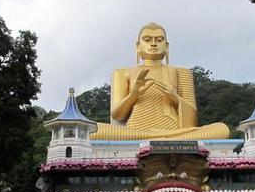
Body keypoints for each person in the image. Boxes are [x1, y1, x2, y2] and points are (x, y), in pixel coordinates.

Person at [90, 22, 230, 140]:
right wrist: (133, 95)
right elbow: (117, 116)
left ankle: (163, 139)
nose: (153, 44)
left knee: (222, 129)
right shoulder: (123, 73)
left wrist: (175, 98)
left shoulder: (182, 72)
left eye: (159, 40)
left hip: (175, 131)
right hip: (135, 132)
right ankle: (163, 139)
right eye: (147, 39)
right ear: (138, 47)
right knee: (93, 132)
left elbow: (190, 124)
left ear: (167, 46)